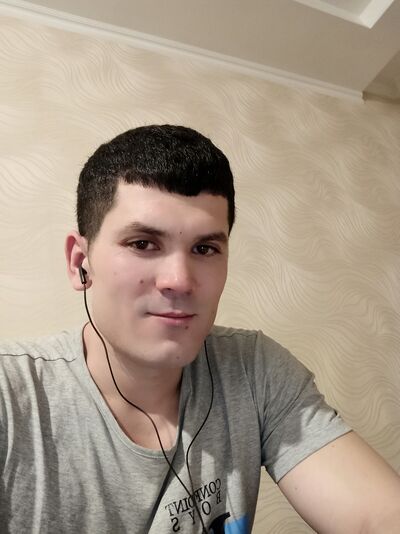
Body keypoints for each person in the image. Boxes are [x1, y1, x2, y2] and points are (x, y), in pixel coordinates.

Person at [0, 125, 399, 534]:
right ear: (79, 262)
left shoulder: (254, 371)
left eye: (204, 248)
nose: (180, 280)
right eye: (142, 243)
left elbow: (376, 517)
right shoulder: (12, 397)